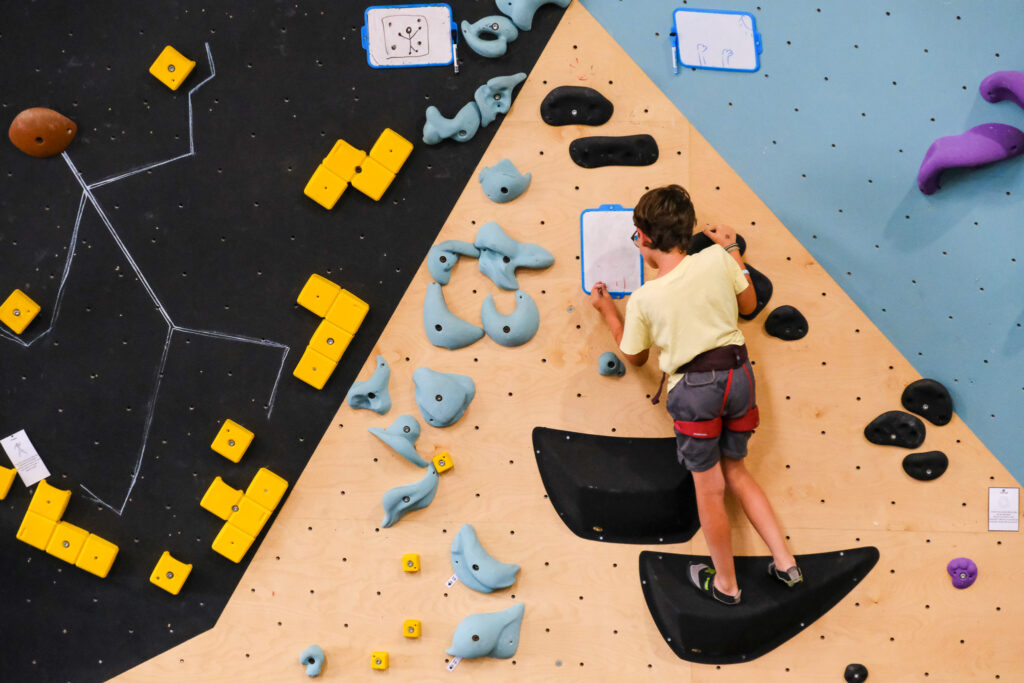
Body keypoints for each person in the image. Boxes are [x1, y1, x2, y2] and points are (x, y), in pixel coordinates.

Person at [589, 184, 801, 605]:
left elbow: (634, 356)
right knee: (737, 470)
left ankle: (725, 584)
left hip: (696, 391)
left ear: (645, 238)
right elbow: (748, 303)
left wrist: (609, 312)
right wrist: (733, 248)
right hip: (739, 376)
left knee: (710, 489)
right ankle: (785, 563)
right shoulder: (717, 259)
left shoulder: (646, 297)